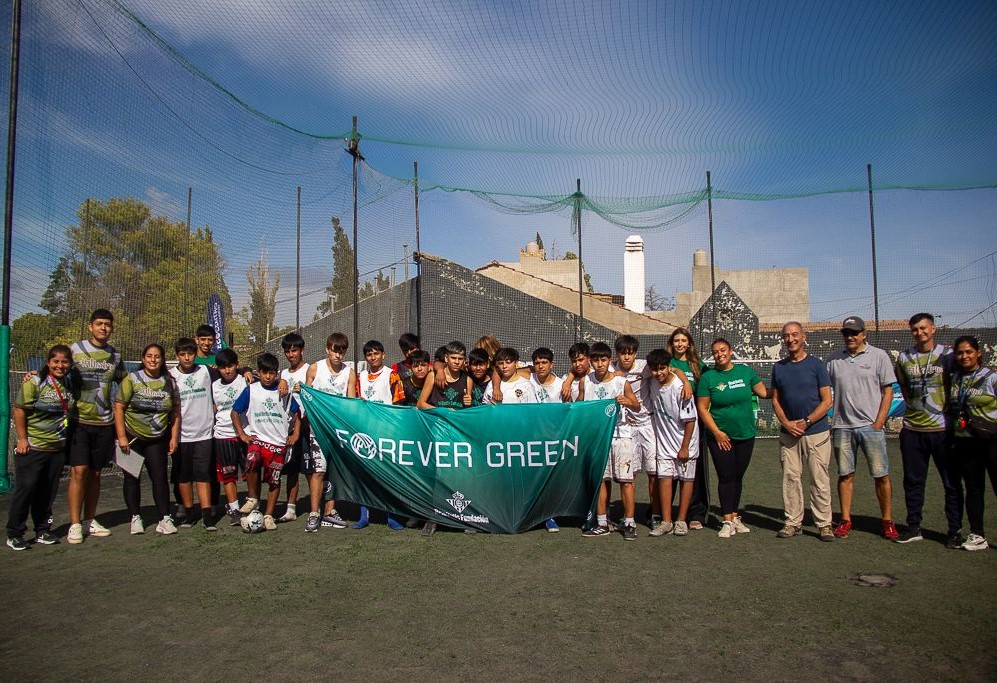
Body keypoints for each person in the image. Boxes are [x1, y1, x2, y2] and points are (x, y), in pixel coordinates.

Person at [826, 316, 899, 540]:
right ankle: (845, 520)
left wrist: (879, 422)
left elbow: (888, 391)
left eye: (854, 332)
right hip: (842, 427)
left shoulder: (879, 356)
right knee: (845, 475)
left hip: (870, 427)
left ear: (863, 334)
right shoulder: (834, 359)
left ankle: (887, 521)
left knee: (881, 475)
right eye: (846, 333)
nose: (850, 337)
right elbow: (822, 389)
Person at [894, 312, 963, 547]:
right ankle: (914, 527)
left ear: (933, 329)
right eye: (915, 329)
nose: (919, 333)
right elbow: (904, 387)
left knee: (951, 482)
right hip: (913, 429)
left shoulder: (948, 356)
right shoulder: (904, 357)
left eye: (924, 328)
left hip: (942, 430)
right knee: (913, 481)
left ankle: (954, 531)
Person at [697, 339, 769, 539]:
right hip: (720, 437)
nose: (719, 354)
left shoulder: (745, 372)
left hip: (745, 434)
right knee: (726, 476)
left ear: (731, 351)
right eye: (715, 352)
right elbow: (702, 408)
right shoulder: (709, 378)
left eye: (723, 350)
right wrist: (717, 432)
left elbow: (764, 392)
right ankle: (727, 520)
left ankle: (735, 516)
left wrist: (787, 387)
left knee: (738, 476)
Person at [7, 345, 77, 550]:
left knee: (48, 491)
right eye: (56, 361)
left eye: (64, 362)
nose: (60, 365)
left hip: (56, 448)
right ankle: (15, 533)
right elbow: (19, 410)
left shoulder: (70, 383)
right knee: (26, 490)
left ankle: (42, 530)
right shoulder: (35, 381)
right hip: (33, 447)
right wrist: (22, 439)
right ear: (48, 362)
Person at [66, 309, 126, 544]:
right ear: (90, 326)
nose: (103, 328)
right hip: (79, 421)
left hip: (104, 423)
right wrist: (35, 374)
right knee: (79, 472)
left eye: (107, 324)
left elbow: (126, 383)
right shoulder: (76, 349)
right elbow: (56, 370)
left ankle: (90, 520)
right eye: (99, 323)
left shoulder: (115, 356)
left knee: (96, 473)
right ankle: (74, 524)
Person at [771, 322, 834, 542]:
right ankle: (792, 522)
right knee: (790, 478)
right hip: (788, 434)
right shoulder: (779, 368)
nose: (791, 339)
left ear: (803, 337)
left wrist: (806, 422)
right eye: (786, 336)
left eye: (795, 334)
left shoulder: (817, 365)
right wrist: (787, 423)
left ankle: (824, 524)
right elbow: (775, 400)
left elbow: (827, 401)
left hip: (816, 433)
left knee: (819, 479)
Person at [115, 344, 181, 535]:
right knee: (131, 477)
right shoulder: (132, 379)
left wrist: (174, 437)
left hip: (157, 438)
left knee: (159, 477)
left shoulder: (170, 382)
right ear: (143, 359)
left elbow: (175, 411)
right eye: (149, 356)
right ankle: (135, 517)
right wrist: (121, 436)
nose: (153, 360)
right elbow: (118, 407)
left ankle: (164, 518)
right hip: (132, 437)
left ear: (163, 359)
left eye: (157, 356)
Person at [231, 353, 301, 531]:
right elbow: (234, 412)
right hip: (258, 439)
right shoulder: (251, 390)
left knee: (274, 480)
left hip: (278, 443)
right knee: (251, 462)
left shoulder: (284, 391)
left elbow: (297, 412)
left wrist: (296, 433)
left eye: (272, 373)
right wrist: (242, 434)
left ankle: (269, 515)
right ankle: (253, 498)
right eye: (264, 373)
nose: (268, 377)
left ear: (276, 373)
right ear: (258, 372)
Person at [579, 342, 641, 541]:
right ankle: (602, 522)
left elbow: (637, 406)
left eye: (603, 360)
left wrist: (628, 401)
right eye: (596, 360)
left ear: (609, 361)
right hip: (598, 438)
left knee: (626, 481)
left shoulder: (621, 382)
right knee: (601, 481)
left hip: (621, 436)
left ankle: (629, 523)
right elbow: (580, 407)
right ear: (591, 361)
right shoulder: (585, 382)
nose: (599, 364)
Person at [417, 340, 473, 536]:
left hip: (457, 434)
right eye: (453, 358)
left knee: (459, 474)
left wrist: (468, 404)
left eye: (460, 358)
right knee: (436, 475)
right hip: (437, 431)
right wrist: (443, 411)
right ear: (446, 358)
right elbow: (420, 404)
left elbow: (468, 413)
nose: (457, 362)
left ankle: (462, 517)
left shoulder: (467, 380)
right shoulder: (433, 375)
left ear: (464, 361)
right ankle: (431, 519)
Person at [947, 335, 997, 551]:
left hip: (992, 441)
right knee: (974, 488)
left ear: (978, 353)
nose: (964, 356)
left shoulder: (991, 377)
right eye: (960, 353)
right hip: (966, 442)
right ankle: (978, 534)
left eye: (968, 352)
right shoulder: (955, 378)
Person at [304, 333, 355, 529]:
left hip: (337, 431)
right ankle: (314, 513)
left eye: (342, 351)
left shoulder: (349, 373)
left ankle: (329, 511)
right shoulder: (315, 368)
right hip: (318, 429)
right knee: (319, 471)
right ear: (327, 349)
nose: (338, 355)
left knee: (334, 471)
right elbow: (306, 396)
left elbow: (350, 403)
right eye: (335, 350)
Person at [646, 349, 699, 538]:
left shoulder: (680, 388)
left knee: (686, 480)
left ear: (669, 367)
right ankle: (667, 521)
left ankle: (681, 521)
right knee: (665, 480)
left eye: (662, 368)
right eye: (654, 369)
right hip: (664, 442)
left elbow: (690, 420)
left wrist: (684, 447)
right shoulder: (652, 381)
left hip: (685, 442)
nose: (658, 373)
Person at [354, 339, 406, 530]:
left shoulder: (391, 375)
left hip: (386, 432)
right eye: (369, 354)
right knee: (364, 474)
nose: (373, 357)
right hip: (365, 432)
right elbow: (356, 402)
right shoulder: (361, 376)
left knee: (388, 474)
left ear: (383, 354)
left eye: (376, 353)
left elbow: (398, 404)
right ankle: (364, 516)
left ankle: (391, 516)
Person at [169, 337, 218, 530]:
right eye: (183, 354)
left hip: (204, 434)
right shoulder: (170, 376)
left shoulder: (206, 371)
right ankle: (189, 514)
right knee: (184, 476)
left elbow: (229, 371)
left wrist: (246, 371)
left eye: (190, 354)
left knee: (203, 475)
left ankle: (207, 516)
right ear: (177, 356)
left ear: (195, 354)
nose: (187, 357)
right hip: (181, 435)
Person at [613, 335, 660, 529]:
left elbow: (671, 370)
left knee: (653, 472)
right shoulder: (611, 369)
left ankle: (655, 514)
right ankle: (628, 516)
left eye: (630, 353)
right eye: (623, 353)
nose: (626, 357)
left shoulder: (644, 367)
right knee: (628, 475)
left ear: (635, 354)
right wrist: (568, 380)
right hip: (626, 427)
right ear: (617, 354)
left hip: (648, 424)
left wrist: (685, 381)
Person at [667, 327, 710, 530]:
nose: (680, 344)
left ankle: (695, 513)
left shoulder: (698, 365)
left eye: (683, 340)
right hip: (668, 423)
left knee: (694, 469)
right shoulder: (667, 362)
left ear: (689, 343)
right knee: (667, 469)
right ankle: (663, 513)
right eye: (676, 340)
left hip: (693, 423)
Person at [211, 348, 249, 527]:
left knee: (250, 473)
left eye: (230, 366)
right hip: (223, 435)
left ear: (237, 365)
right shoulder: (214, 386)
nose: (227, 370)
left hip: (244, 434)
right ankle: (234, 509)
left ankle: (252, 506)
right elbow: (213, 408)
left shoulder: (246, 381)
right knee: (228, 474)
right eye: (223, 367)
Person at [278, 332, 309, 523]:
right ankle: (290, 509)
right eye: (288, 351)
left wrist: (304, 389)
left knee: (312, 470)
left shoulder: (309, 370)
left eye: (294, 350)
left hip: (307, 426)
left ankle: (317, 508)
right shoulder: (283, 374)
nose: (291, 355)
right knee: (291, 469)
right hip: (287, 428)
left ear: (302, 350)